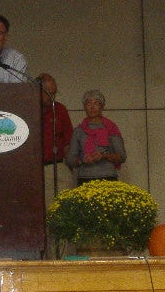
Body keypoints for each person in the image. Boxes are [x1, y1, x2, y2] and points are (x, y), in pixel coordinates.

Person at [38, 72, 74, 259]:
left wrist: (71, 166)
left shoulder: (60, 110)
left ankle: (64, 259)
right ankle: (44, 262)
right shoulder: (27, 109)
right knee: (41, 219)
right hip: (35, 170)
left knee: (62, 216)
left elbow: (69, 142)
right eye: (48, 93)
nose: (52, 97)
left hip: (58, 166)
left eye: (55, 93)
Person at [65, 89, 126, 185]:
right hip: (84, 177)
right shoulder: (79, 131)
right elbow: (70, 160)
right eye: (89, 103)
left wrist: (104, 156)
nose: (92, 107)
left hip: (108, 177)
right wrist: (82, 160)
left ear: (102, 106)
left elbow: (122, 156)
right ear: (84, 107)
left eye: (96, 103)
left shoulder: (111, 128)